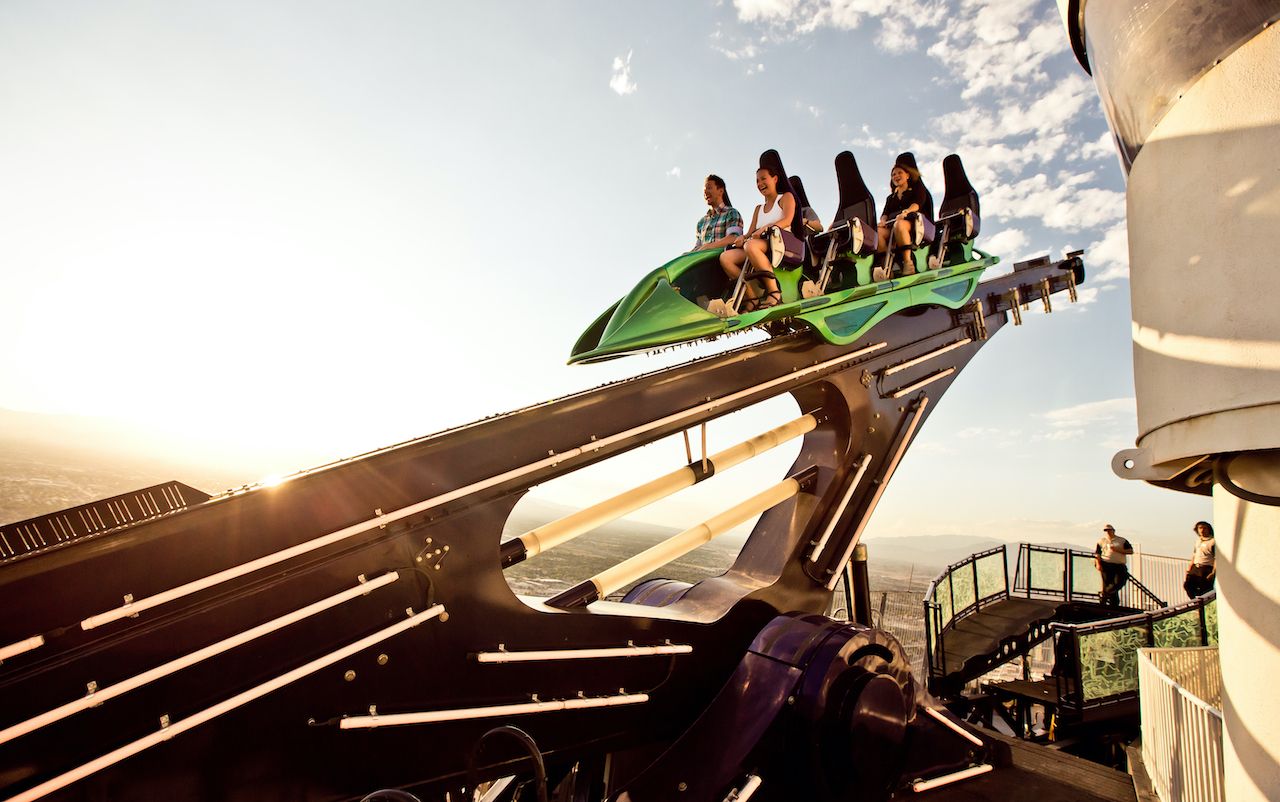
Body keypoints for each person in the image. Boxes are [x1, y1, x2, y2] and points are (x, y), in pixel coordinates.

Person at [717, 164, 795, 312]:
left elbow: (787, 220)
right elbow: (749, 233)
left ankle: (774, 292)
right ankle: (752, 297)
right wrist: (741, 238)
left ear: (775, 178)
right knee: (725, 258)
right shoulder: (758, 209)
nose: (760, 184)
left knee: (751, 246)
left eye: (763, 179)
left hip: (780, 242)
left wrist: (767, 228)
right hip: (758, 244)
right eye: (757, 181)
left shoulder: (785, 197)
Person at [873, 154, 930, 282]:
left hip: (913, 223)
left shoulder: (916, 189)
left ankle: (907, 262)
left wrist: (906, 212)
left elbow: (917, 204)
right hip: (893, 225)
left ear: (907, 175)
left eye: (899, 173)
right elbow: (885, 213)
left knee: (900, 224)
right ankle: (885, 266)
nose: (896, 176)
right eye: (893, 174)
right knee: (878, 231)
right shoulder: (891, 197)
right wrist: (882, 221)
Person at [692, 174, 744, 252]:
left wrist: (709, 246)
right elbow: (697, 248)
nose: (705, 192)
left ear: (721, 191)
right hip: (703, 261)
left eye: (709, 188)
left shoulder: (731, 213)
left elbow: (734, 238)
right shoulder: (701, 222)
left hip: (721, 260)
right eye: (704, 190)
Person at [1095, 524, 1133, 606]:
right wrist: (1098, 564)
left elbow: (1130, 551)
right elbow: (1097, 554)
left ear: (1113, 530)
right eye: (1106, 530)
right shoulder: (1101, 541)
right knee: (1108, 583)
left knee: (1120, 580)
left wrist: (1118, 550)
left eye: (1109, 530)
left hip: (1119, 564)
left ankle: (1104, 594)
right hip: (1106, 563)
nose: (1107, 532)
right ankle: (1112, 603)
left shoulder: (1121, 540)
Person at [1184, 521, 1216, 598]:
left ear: (1209, 529)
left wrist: (1213, 572)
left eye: (1205, 528)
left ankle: (1203, 606)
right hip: (1196, 567)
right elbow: (1194, 555)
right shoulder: (1198, 541)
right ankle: (1196, 603)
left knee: (1205, 589)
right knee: (1187, 585)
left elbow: (1216, 558)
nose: (1202, 530)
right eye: (1200, 528)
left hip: (1206, 568)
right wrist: (1189, 568)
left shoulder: (1212, 542)